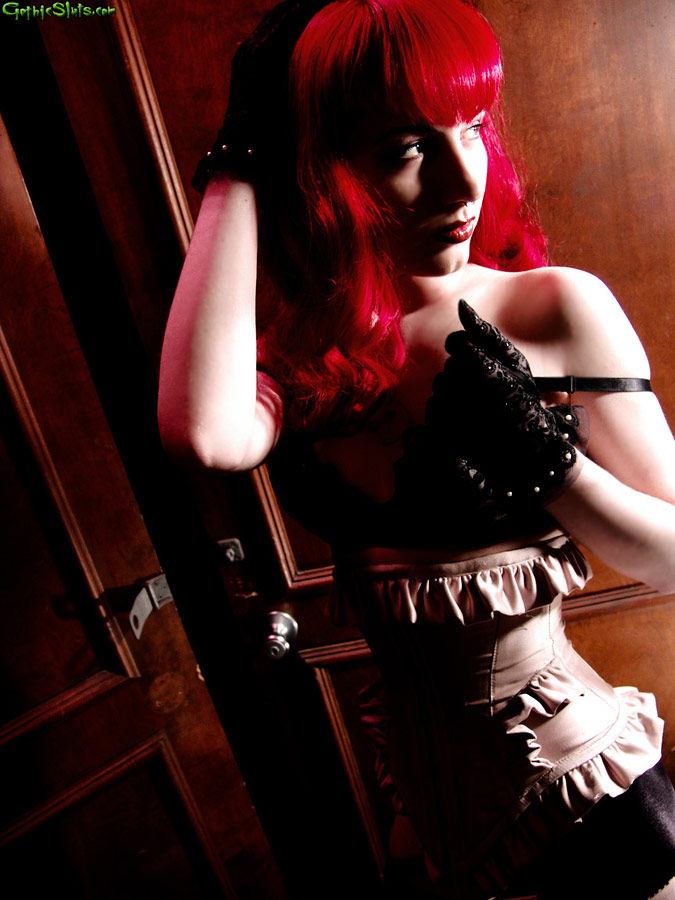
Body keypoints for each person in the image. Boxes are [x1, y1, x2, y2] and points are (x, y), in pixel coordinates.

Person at [158, 0, 675, 896]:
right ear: (325, 168)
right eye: (405, 148)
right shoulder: (304, 344)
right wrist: (238, 157)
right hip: (423, 819)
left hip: (586, 804)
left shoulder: (553, 308)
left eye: (471, 129)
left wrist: (549, 466)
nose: (460, 181)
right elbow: (203, 433)